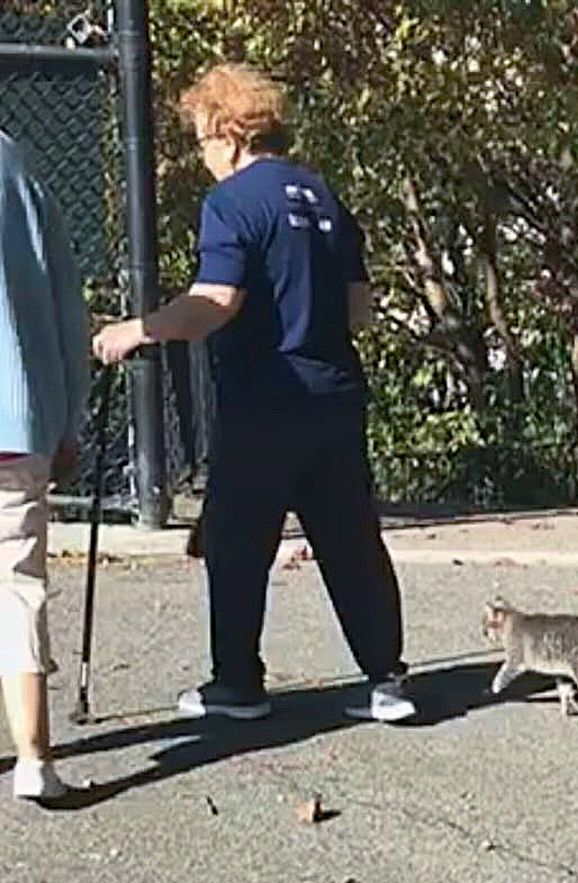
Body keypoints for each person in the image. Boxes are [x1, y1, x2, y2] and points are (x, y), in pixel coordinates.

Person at [92, 63, 415, 724]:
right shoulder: (324, 196)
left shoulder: (232, 204)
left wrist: (137, 330)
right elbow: (360, 310)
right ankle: (386, 679)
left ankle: (237, 683)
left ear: (227, 131)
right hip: (335, 393)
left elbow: (215, 303)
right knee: (352, 540)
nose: (202, 153)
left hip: (264, 399)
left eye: (203, 138)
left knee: (238, 542)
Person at [0, 129, 89, 799]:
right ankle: (34, 758)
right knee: (17, 582)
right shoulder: (17, 163)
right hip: (16, 408)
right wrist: (67, 418)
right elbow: (64, 299)